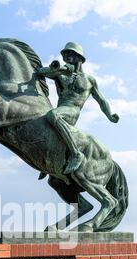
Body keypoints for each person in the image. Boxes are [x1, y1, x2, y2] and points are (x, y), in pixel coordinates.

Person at [37, 42, 119, 176]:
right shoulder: (61, 73)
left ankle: (76, 154)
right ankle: (46, 162)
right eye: (66, 54)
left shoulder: (89, 80)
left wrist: (110, 115)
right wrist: (53, 69)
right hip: (61, 109)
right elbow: (40, 72)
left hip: (72, 111)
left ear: (79, 57)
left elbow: (101, 100)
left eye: (71, 53)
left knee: (53, 115)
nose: (67, 56)